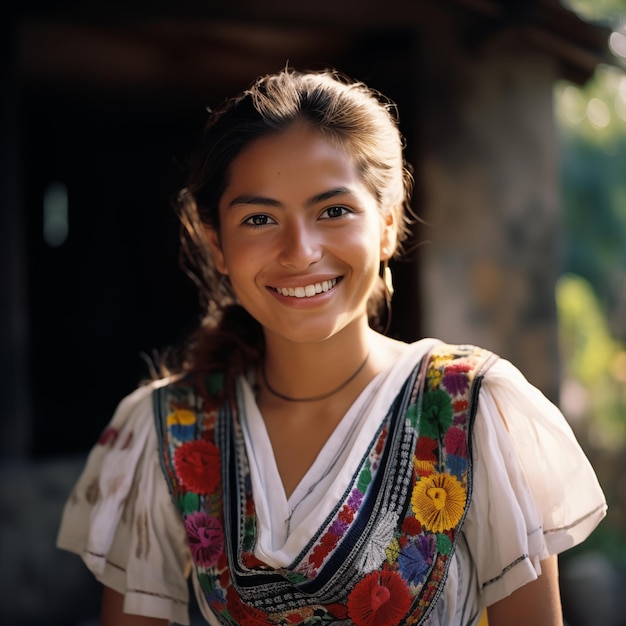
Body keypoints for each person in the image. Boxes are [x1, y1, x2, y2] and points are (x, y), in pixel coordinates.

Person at [57, 67, 607, 626]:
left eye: (333, 211)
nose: (300, 251)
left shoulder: (473, 410)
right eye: (259, 218)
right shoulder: (170, 430)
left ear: (388, 225)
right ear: (218, 247)